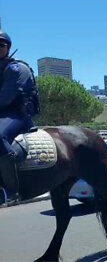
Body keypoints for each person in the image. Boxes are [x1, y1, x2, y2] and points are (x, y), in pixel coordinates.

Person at [0, 30, 38, 204]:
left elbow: (5, 98)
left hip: (17, 114)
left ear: (8, 47)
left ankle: (11, 190)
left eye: (1, 45)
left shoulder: (16, 68)